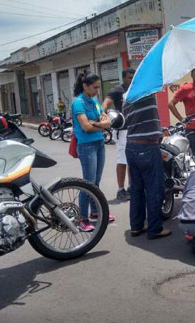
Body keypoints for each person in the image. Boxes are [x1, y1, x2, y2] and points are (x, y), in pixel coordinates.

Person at [124, 91, 171, 239]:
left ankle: (136, 226)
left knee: (136, 189)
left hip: (131, 146)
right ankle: (155, 229)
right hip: (147, 148)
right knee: (154, 189)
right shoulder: (146, 95)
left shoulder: (127, 97)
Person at [71, 73, 115, 232]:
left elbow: (107, 120)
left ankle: (95, 212)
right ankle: (82, 218)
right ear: (85, 86)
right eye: (95, 87)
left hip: (99, 143)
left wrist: (97, 123)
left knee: (95, 182)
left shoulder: (95, 102)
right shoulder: (78, 103)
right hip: (86, 145)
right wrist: (101, 124)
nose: (97, 90)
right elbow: (85, 127)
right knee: (88, 183)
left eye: (98, 87)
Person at [102, 67, 135, 201]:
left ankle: (131, 187)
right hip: (123, 131)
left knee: (132, 161)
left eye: (133, 77)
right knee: (123, 161)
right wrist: (105, 117)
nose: (132, 80)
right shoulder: (117, 90)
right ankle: (120, 189)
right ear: (124, 78)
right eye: (129, 77)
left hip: (135, 129)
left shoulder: (137, 89)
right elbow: (105, 105)